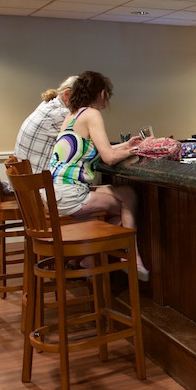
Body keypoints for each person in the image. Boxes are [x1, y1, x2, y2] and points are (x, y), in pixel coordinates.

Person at [47, 71, 150, 281]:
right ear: (102, 93)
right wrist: (140, 149)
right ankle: (130, 258)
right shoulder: (92, 114)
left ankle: (88, 258)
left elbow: (93, 149)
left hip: (53, 193)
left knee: (125, 194)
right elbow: (110, 157)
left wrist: (127, 145)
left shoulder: (72, 116)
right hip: (70, 195)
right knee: (127, 201)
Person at [14, 76, 77, 173]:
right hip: (39, 183)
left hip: (25, 179)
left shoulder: (47, 104)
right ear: (67, 94)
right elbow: (83, 147)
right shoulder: (60, 113)